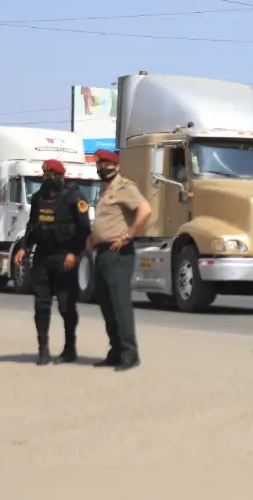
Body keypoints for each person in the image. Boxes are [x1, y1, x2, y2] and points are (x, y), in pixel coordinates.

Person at [14, 159, 92, 366]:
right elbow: (32, 226)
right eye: (45, 176)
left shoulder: (75, 197)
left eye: (52, 176)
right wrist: (23, 247)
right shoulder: (39, 197)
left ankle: (69, 349)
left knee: (66, 306)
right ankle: (43, 350)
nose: (48, 180)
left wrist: (74, 253)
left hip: (65, 257)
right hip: (43, 257)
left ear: (61, 176)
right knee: (41, 305)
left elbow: (84, 229)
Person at [89, 149, 152, 371]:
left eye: (106, 164)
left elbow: (145, 210)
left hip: (119, 254)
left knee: (120, 305)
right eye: (99, 165)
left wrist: (128, 235)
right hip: (103, 253)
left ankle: (129, 354)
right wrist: (91, 239)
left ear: (116, 166)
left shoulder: (125, 187)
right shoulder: (104, 190)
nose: (102, 168)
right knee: (106, 305)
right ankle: (115, 351)